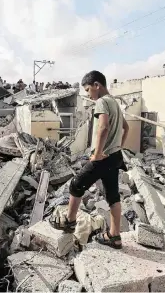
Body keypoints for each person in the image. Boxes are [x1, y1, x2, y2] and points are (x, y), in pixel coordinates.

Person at [50, 70, 129, 249]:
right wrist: (119, 147)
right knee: (112, 196)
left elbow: (103, 127)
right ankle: (114, 236)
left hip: (103, 157)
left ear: (96, 85)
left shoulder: (102, 101)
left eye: (87, 90)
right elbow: (126, 128)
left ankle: (69, 222)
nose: (88, 94)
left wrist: (97, 154)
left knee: (76, 185)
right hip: (115, 156)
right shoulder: (115, 103)